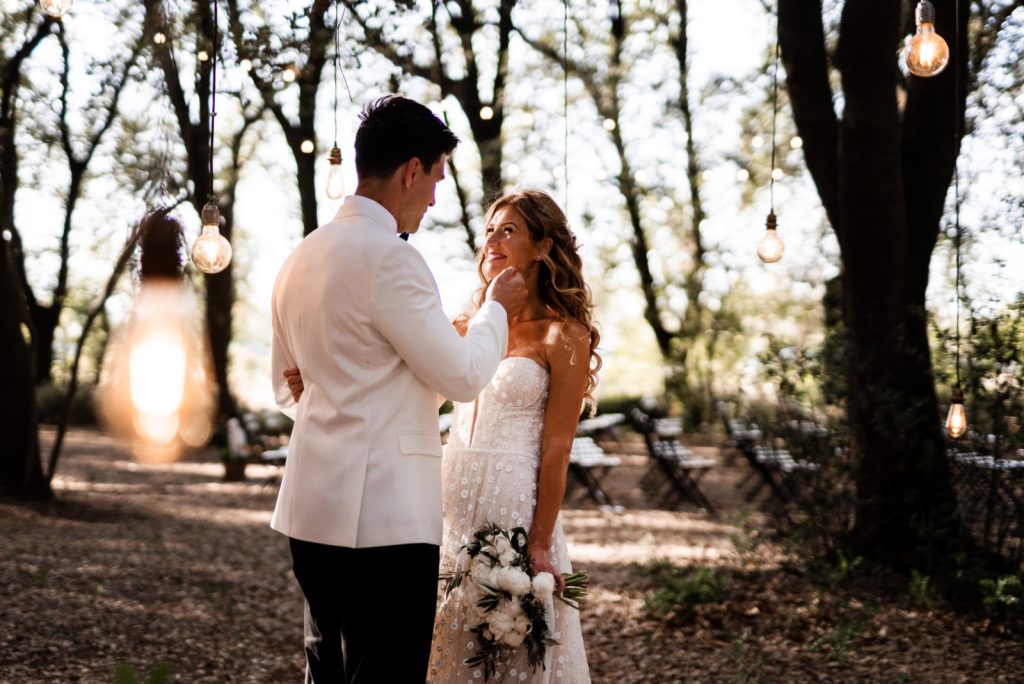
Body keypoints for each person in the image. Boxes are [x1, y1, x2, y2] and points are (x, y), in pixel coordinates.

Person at [287, 189, 599, 683]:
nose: (492, 240)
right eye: (490, 229)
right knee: (442, 636)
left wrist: (539, 541)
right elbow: (399, 389)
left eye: (509, 230)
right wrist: (324, 378)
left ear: (543, 247)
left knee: (509, 639)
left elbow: (557, 447)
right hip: (447, 496)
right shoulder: (464, 325)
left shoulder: (564, 335)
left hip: (514, 498)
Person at [269, 95, 527, 684]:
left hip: (311, 510)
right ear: (413, 168)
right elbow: (463, 376)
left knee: (325, 672)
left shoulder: (299, 258)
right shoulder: (393, 259)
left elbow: (288, 390)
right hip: (382, 518)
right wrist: (493, 311)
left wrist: (328, 383)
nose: (435, 197)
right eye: (435, 177)